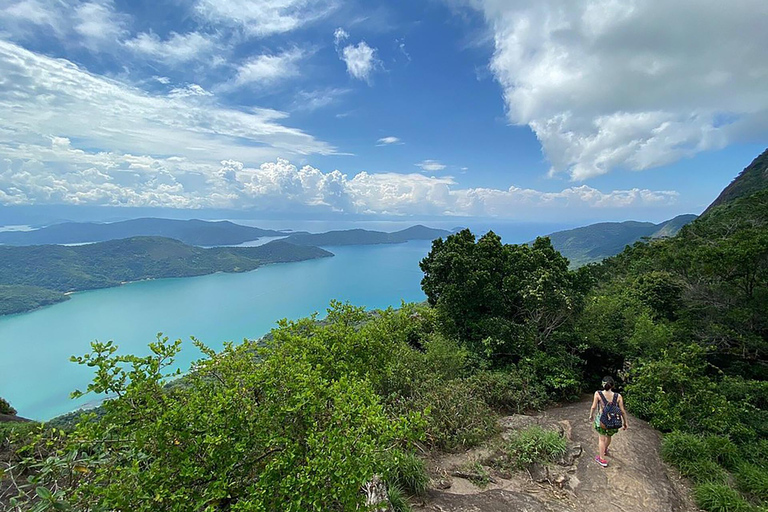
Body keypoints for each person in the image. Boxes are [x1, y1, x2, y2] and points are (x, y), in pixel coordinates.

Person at [588, 376, 628, 467]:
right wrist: (625, 422)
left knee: (601, 439)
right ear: (612, 385)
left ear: (603, 384)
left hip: (601, 419)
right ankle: (605, 449)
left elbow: (593, 407)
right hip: (613, 421)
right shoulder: (618, 396)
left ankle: (602, 459)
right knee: (609, 436)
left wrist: (591, 415)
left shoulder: (598, 394)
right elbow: (622, 411)